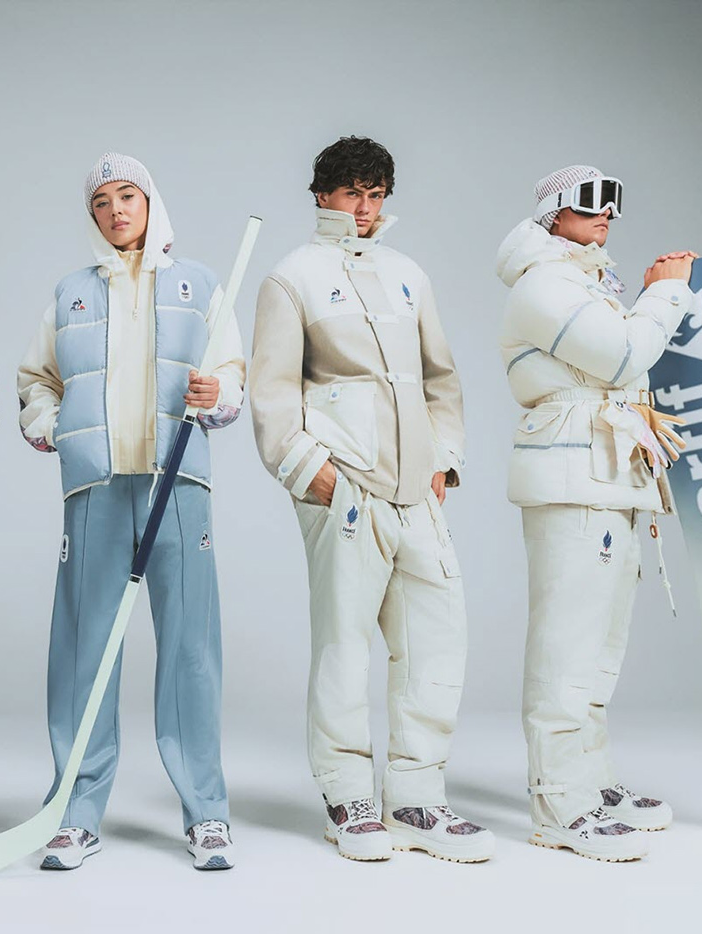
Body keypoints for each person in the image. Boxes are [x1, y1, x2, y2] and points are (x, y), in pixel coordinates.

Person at [249, 136, 493, 863]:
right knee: (344, 647)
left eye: (376, 193)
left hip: (417, 494)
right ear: (322, 194)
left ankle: (416, 799)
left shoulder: (409, 275)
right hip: (347, 488)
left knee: (435, 646)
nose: (364, 207)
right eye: (352, 192)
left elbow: (441, 380)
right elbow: (272, 393)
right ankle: (347, 797)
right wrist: (313, 474)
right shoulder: (291, 277)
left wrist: (444, 464)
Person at [16, 152, 245, 871]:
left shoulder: (199, 284)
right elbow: (36, 381)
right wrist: (51, 426)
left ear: (151, 202)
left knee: (190, 650)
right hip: (97, 486)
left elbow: (232, 374)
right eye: (101, 202)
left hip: (177, 480)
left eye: (127, 196)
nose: (115, 211)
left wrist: (219, 396)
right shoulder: (71, 292)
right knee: (84, 650)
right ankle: (74, 812)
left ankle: (206, 813)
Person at [495, 164, 695, 861]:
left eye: (612, 201)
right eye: (589, 202)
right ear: (554, 213)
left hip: (609, 473)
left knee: (602, 648)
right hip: (574, 477)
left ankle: (593, 782)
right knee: (568, 648)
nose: (605, 212)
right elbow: (622, 357)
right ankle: (559, 804)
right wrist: (665, 293)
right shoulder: (544, 285)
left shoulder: (588, 283)